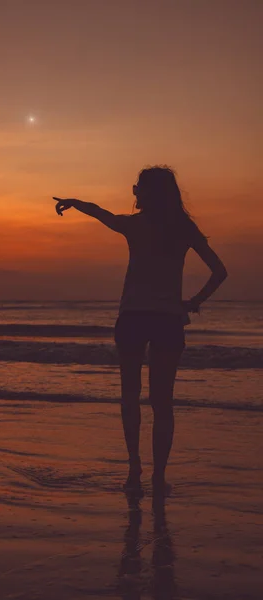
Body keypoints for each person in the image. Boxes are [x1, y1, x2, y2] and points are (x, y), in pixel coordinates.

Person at [53, 165, 227, 496]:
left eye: (138, 188)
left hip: (134, 317)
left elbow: (101, 214)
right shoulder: (183, 228)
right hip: (167, 319)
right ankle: (157, 477)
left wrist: (75, 202)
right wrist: (194, 302)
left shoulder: (135, 225)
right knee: (162, 402)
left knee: (131, 397)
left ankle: (135, 471)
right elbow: (220, 271)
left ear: (148, 193)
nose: (134, 192)